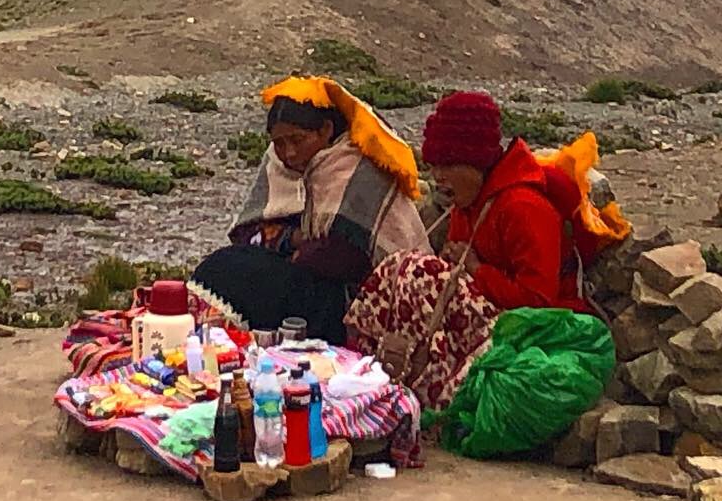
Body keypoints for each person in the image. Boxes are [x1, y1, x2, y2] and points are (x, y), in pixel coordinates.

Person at [345, 89, 630, 411]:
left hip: (538, 325)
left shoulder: (523, 207)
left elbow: (539, 301)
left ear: (476, 162)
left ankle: (427, 400)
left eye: (447, 165)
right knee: (401, 271)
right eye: (434, 166)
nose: (437, 177)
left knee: (422, 274)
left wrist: (477, 270)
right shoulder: (467, 203)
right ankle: (373, 374)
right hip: (493, 309)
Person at [191, 76, 429, 343]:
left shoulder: (356, 168)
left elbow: (345, 257)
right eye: (280, 143)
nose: (289, 153)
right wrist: (293, 239)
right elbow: (247, 232)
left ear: (326, 130)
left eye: (298, 139)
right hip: (308, 279)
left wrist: (292, 253)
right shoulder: (279, 164)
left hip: (359, 302)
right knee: (224, 265)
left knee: (245, 277)